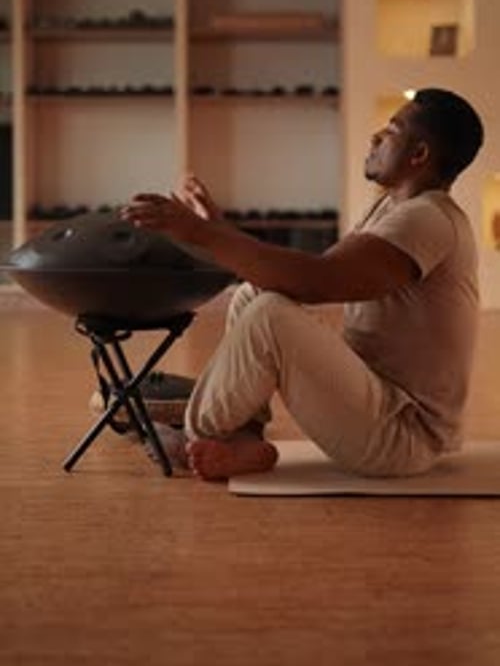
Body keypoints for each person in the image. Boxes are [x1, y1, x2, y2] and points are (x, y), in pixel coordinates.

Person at [121, 88, 484, 482]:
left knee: (270, 316)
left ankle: (198, 434)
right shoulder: (392, 207)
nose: (375, 137)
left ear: (418, 156)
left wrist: (202, 234)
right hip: (378, 402)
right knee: (255, 294)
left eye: (391, 131)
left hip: (404, 436)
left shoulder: (428, 219)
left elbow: (316, 282)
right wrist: (216, 229)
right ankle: (241, 438)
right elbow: (300, 275)